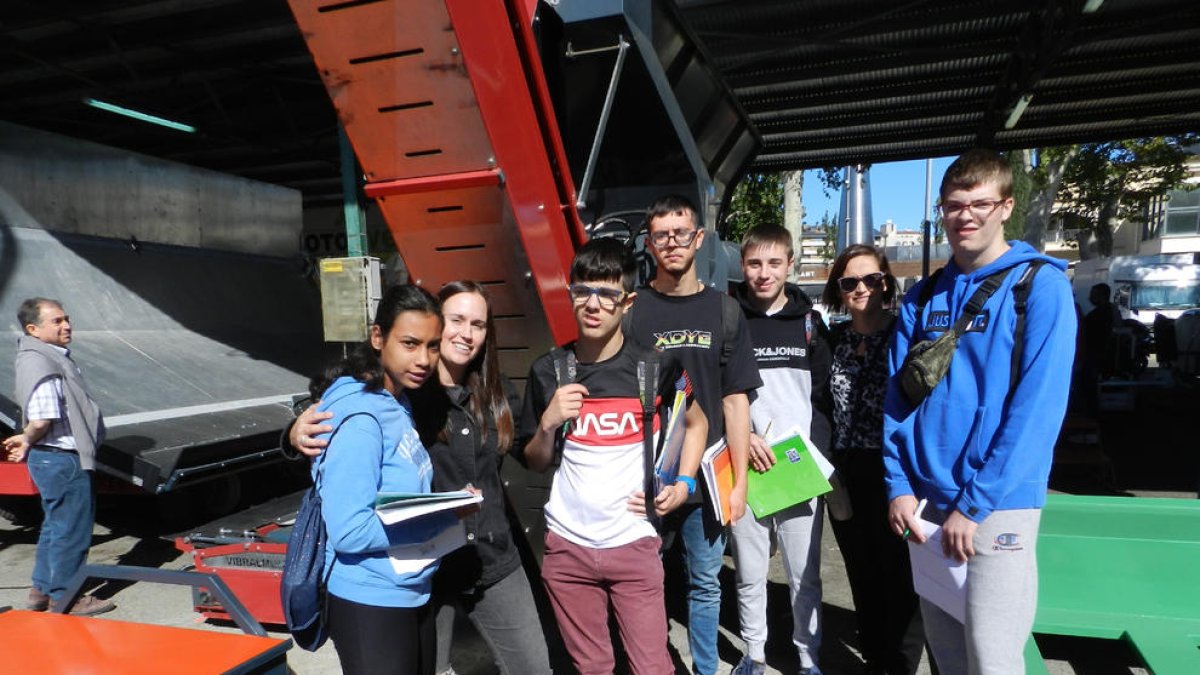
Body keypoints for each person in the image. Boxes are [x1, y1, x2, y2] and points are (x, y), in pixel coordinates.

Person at [289, 280, 552, 675]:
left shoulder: (474, 393)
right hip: (414, 572)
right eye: (456, 321)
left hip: (479, 561)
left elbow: (531, 458)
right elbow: (343, 437)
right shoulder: (394, 396)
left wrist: (547, 427)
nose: (464, 334)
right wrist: (293, 433)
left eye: (478, 324)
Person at [884, 149, 1076, 675]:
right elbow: (898, 399)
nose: (966, 215)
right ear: (941, 211)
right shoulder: (923, 297)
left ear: (1006, 207)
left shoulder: (1039, 288)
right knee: (947, 660)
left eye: (980, 203)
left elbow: (1037, 412)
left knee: (992, 661)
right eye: (953, 205)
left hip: (996, 508)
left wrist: (975, 506)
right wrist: (898, 485)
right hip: (926, 505)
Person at [518, 238, 708, 675]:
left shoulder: (656, 368)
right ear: (570, 295)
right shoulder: (549, 370)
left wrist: (684, 484)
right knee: (592, 667)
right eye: (583, 291)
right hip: (567, 551)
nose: (593, 304)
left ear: (627, 302)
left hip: (635, 543)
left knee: (652, 667)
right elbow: (535, 461)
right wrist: (547, 422)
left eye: (607, 294)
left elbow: (696, 423)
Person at [624, 194, 761, 675]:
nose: (672, 243)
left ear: (699, 238)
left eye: (682, 233)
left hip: (707, 477)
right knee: (644, 582)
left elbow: (736, 399)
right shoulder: (632, 310)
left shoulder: (724, 312)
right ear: (649, 242)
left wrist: (739, 481)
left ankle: (705, 669)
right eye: (661, 235)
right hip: (648, 477)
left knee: (705, 583)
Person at [308, 284, 466, 675]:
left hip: (409, 591)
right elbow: (349, 530)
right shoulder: (363, 418)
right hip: (370, 600)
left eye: (432, 346)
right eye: (410, 343)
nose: (424, 359)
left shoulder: (396, 400)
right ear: (378, 338)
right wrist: (438, 518)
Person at [729, 225, 832, 675]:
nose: (764, 273)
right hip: (745, 465)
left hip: (797, 470)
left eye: (774, 263)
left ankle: (809, 660)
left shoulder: (811, 325)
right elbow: (716, 390)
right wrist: (742, 438)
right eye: (754, 263)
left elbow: (826, 400)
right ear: (742, 266)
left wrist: (818, 460)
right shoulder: (730, 320)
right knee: (749, 572)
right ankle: (754, 655)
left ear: (790, 265)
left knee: (803, 576)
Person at [822, 245, 925, 675]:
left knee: (899, 578)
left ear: (886, 283)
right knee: (860, 573)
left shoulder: (906, 335)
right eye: (850, 282)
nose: (861, 288)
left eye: (871, 279)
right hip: (845, 471)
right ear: (839, 290)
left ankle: (898, 666)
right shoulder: (833, 340)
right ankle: (874, 660)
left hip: (893, 470)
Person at [3, 298, 113, 616]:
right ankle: (67, 596)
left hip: (52, 458)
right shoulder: (42, 363)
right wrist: (27, 436)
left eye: (66, 318)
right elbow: (42, 417)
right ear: (33, 329)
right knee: (72, 530)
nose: (66, 325)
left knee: (55, 527)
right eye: (56, 321)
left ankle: (42, 590)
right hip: (62, 458)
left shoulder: (43, 357)